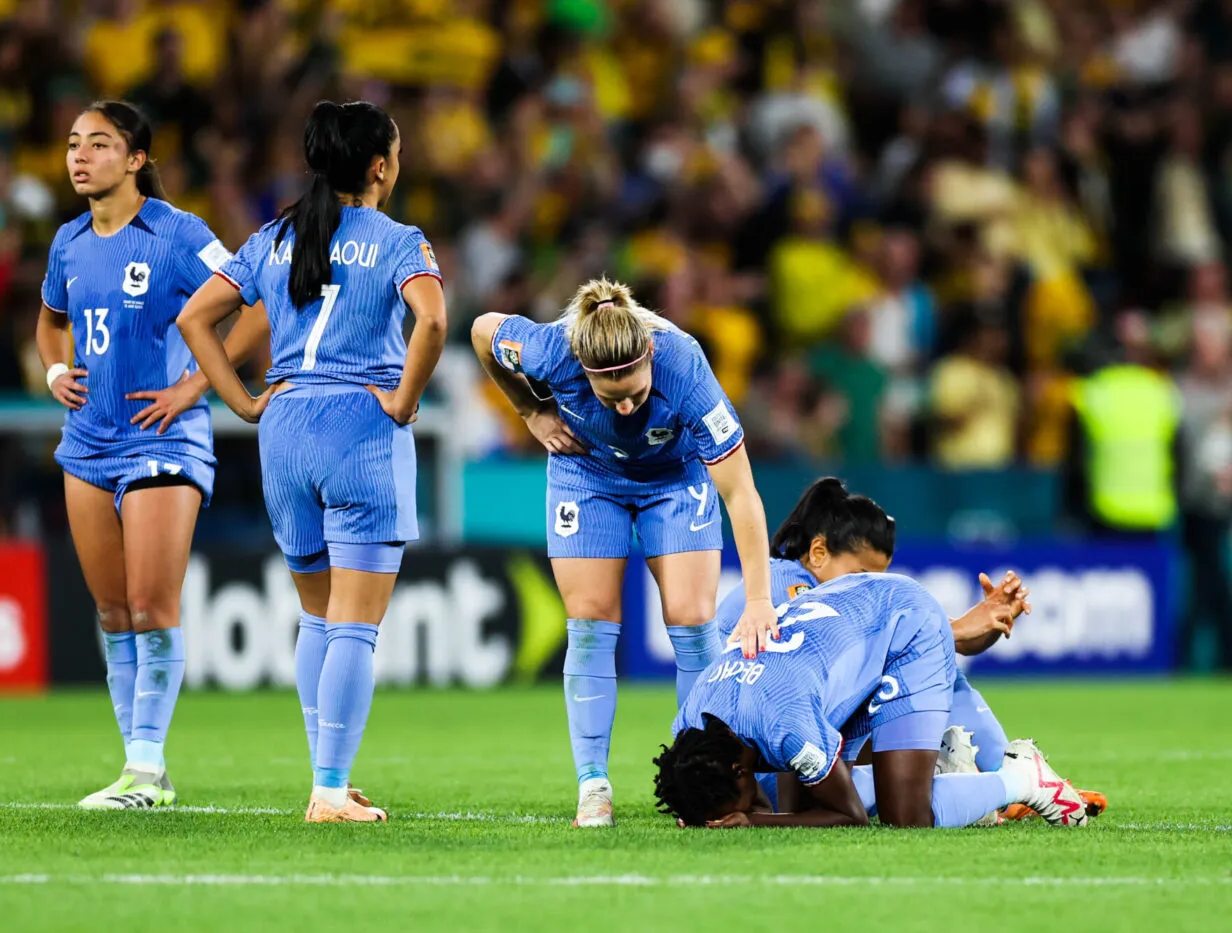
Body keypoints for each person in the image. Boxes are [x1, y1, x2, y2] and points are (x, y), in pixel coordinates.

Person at [177, 100, 447, 823]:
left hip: (286, 428)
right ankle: (329, 787)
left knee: (317, 618)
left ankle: (328, 776)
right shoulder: (397, 240)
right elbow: (434, 319)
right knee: (355, 625)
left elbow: (195, 318)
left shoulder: (272, 237)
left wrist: (239, 400)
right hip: (359, 426)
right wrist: (403, 397)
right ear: (380, 165)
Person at [471, 279, 779, 828]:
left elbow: (740, 493)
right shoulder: (550, 349)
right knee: (589, 619)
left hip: (674, 478)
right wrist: (529, 411)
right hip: (586, 473)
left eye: (634, 391)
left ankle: (704, 782)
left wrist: (759, 599)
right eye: (610, 397)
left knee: (689, 616)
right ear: (582, 369)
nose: (627, 404)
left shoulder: (685, 367)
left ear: (650, 355)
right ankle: (594, 786)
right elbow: (482, 330)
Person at [37, 100, 269, 809]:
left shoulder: (177, 234)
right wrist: (54, 371)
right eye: (75, 143)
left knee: (149, 602)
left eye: (100, 144)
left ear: (137, 159)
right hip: (87, 443)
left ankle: (143, 769)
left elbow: (255, 302)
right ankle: (144, 766)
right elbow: (50, 322)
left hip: (163, 438)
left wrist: (196, 383)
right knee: (112, 612)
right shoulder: (68, 243)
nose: (80, 156)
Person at [711, 476, 1106, 822]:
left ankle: (998, 773)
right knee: (902, 783)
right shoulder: (787, 586)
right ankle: (991, 779)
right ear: (818, 553)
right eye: (862, 575)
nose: (871, 588)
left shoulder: (813, 587)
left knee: (935, 674)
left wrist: (965, 632)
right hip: (765, 775)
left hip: (787, 756)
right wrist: (956, 630)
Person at [654, 572, 1090, 830]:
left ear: (738, 769)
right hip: (841, 623)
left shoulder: (785, 724)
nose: (741, 810)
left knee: (906, 813)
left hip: (905, 627)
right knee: (800, 803)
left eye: (736, 802)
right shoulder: (690, 729)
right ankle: (939, 769)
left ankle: (1025, 778)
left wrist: (757, 822)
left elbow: (848, 816)